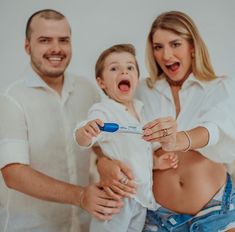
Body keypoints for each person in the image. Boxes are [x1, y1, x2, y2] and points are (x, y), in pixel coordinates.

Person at [96, 11, 235, 231]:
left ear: (192, 46)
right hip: (157, 218)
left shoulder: (220, 87)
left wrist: (180, 140)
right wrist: (103, 163)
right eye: (158, 47)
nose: (166, 55)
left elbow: (218, 130)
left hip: (216, 212)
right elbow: (105, 129)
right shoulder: (141, 91)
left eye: (175, 44)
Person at [0, 9, 123, 232]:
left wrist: (104, 162)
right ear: (28, 46)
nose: (56, 48)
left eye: (63, 40)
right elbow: (13, 173)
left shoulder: (87, 90)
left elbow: (99, 146)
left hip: (85, 225)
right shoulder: (10, 99)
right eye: (45, 40)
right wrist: (81, 195)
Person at [74, 44, 179, 232]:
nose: (124, 71)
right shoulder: (104, 110)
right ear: (101, 83)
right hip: (116, 198)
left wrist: (156, 162)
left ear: (137, 78)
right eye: (114, 68)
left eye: (130, 67)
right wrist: (84, 132)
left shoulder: (141, 111)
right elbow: (85, 137)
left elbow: (138, 152)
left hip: (140, 198)